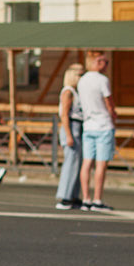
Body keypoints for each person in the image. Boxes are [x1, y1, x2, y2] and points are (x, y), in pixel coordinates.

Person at [77, 50, 117, 212]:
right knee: (101, 164)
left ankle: (86, 198)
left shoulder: (82, 80)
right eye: (104, 62)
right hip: (103, 124)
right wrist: (113, 116)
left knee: (87, 163)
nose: (106, 65)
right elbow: (109, 103)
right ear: (96, 62)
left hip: (88, 125)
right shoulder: (102, 80)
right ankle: (97, 199)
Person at [55, 62, 86, 210]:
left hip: (78, 126)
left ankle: (73, 195)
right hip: (71, 127)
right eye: (79, 74)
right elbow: (64, 115)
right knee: (71, 163)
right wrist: (68, 135)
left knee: (78, 163)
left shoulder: (75, 91)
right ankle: (65, 196)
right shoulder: (68, 92)